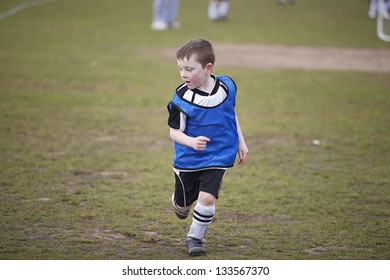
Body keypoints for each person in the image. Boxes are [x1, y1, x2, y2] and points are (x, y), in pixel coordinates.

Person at [167, 38, 249, 256]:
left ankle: (195, 237)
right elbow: (173, 132)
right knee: (184, 206)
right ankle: (180, 204)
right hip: (188, 159)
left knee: (207, 198)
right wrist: (192, 142)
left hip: (220, 153)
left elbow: (230, 114)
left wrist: (240, 140)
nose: (183, 74)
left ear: (208, 68)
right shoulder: (181, 99)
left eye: (189, 69)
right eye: (180, 69)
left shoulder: (227, 86)